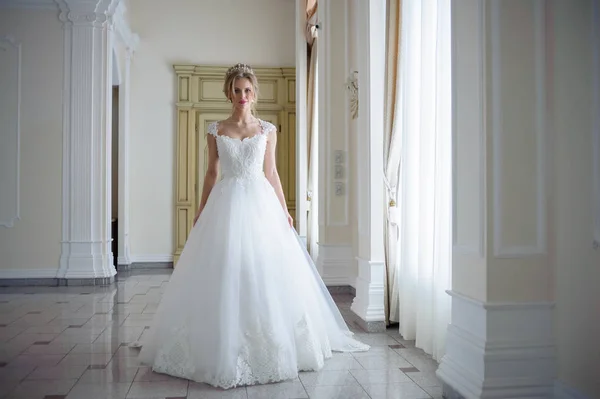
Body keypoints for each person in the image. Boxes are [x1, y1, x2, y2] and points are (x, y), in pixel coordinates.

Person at [135, 63, 369, 389]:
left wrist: (284, 209)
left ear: (254, 93)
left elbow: (271, 172)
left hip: (261, 205)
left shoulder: (267, 130)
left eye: (247, 90)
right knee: (226, 269)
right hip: (226, 203)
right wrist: (201, 209)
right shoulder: (216, 129)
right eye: (236, 90)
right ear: (228, 92)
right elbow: (212, 172)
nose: (242, 96)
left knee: (263, 270)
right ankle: (219, 340)